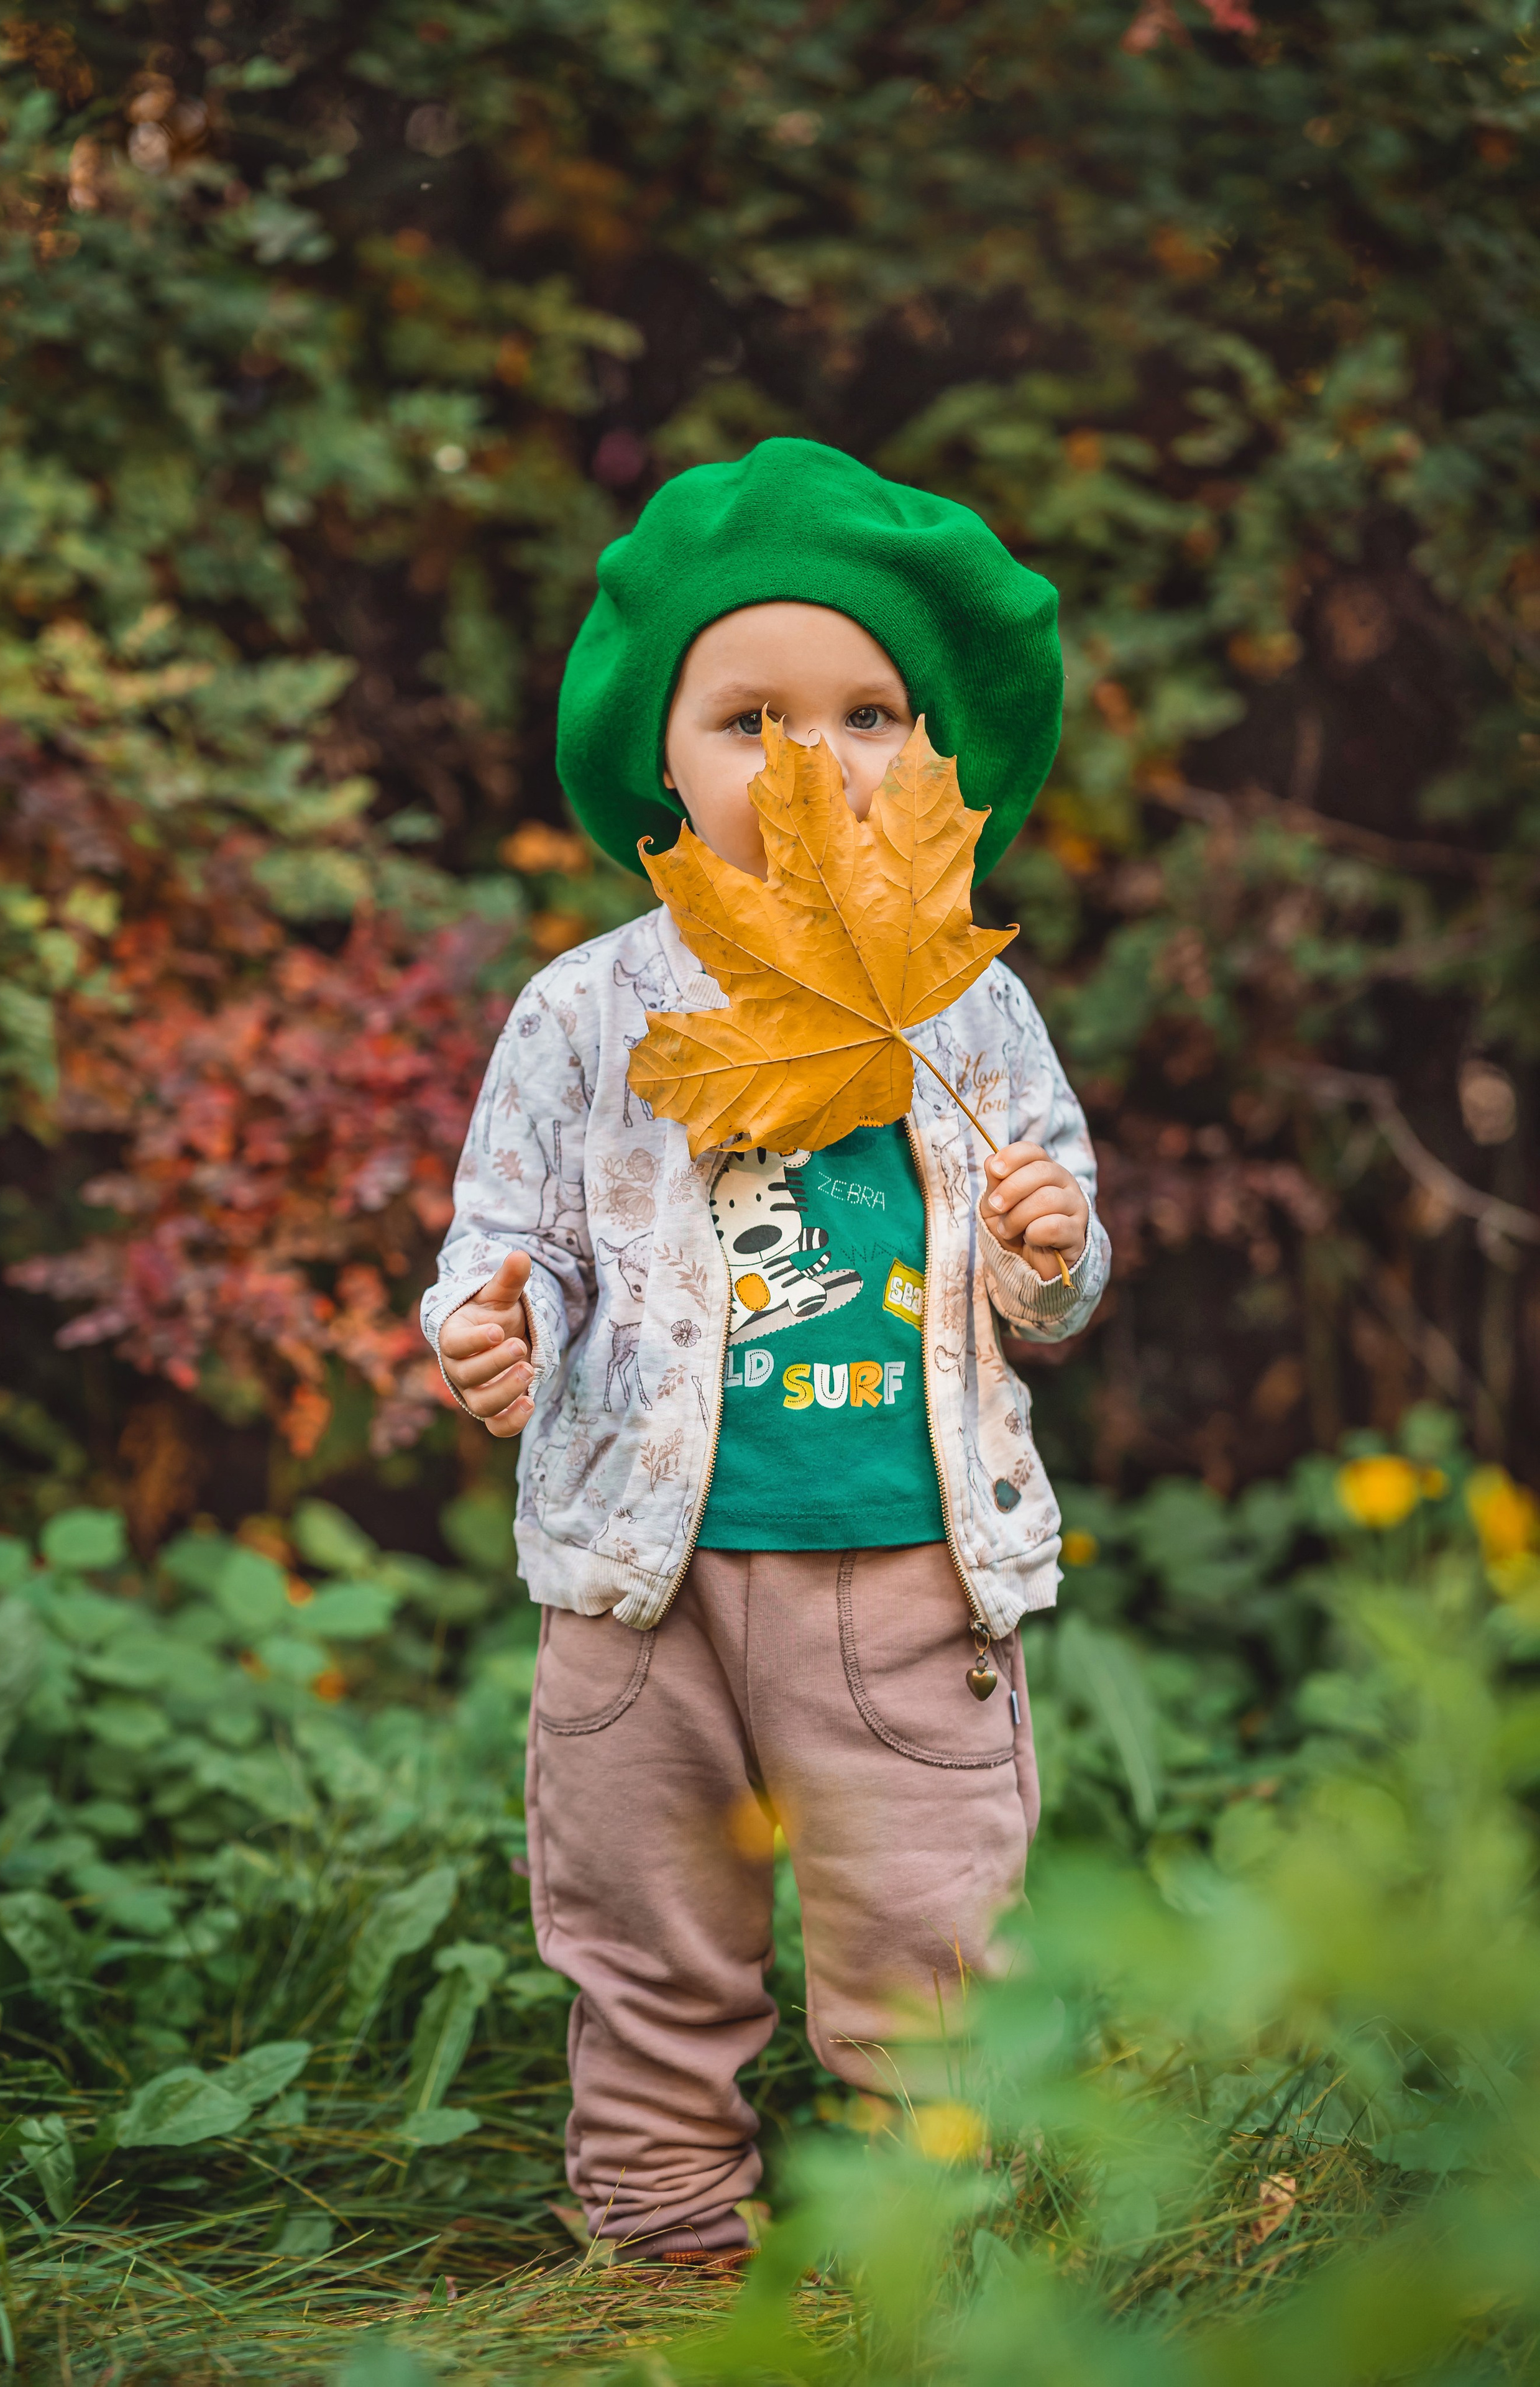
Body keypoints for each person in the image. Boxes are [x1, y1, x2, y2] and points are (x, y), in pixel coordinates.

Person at [422, 439, 1110, 2268]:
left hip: (901, 1577)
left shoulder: (970, 1002)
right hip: (644, 1594)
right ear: (660, 750)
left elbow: (1054, 1276)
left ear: (943, 753)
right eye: (749, 718)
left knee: (931, 1947)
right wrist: (491, 1328)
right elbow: (518, 1241)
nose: (814, 762)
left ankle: (926, 2272)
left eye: (871, 712)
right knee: (647, 1949)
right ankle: (663, 2256)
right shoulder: (588, 1008)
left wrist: (1051, 1254)